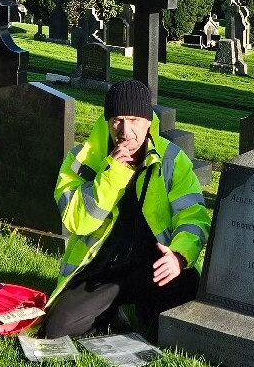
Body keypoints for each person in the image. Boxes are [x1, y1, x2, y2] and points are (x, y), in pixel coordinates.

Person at [41, 79, 210, 341]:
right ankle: (110, 312)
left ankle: (144, 307)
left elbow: (194, 217)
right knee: (55, 329)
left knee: (182, 312)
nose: (125, 130)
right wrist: (111, 175)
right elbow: (77, 222)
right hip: (103, 268)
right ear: (107, 121)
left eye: (134, 119)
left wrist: (179, 255)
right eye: (117, 120)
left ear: (148, 121)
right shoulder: (82, 159)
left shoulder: (173, 159)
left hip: (155, 265)